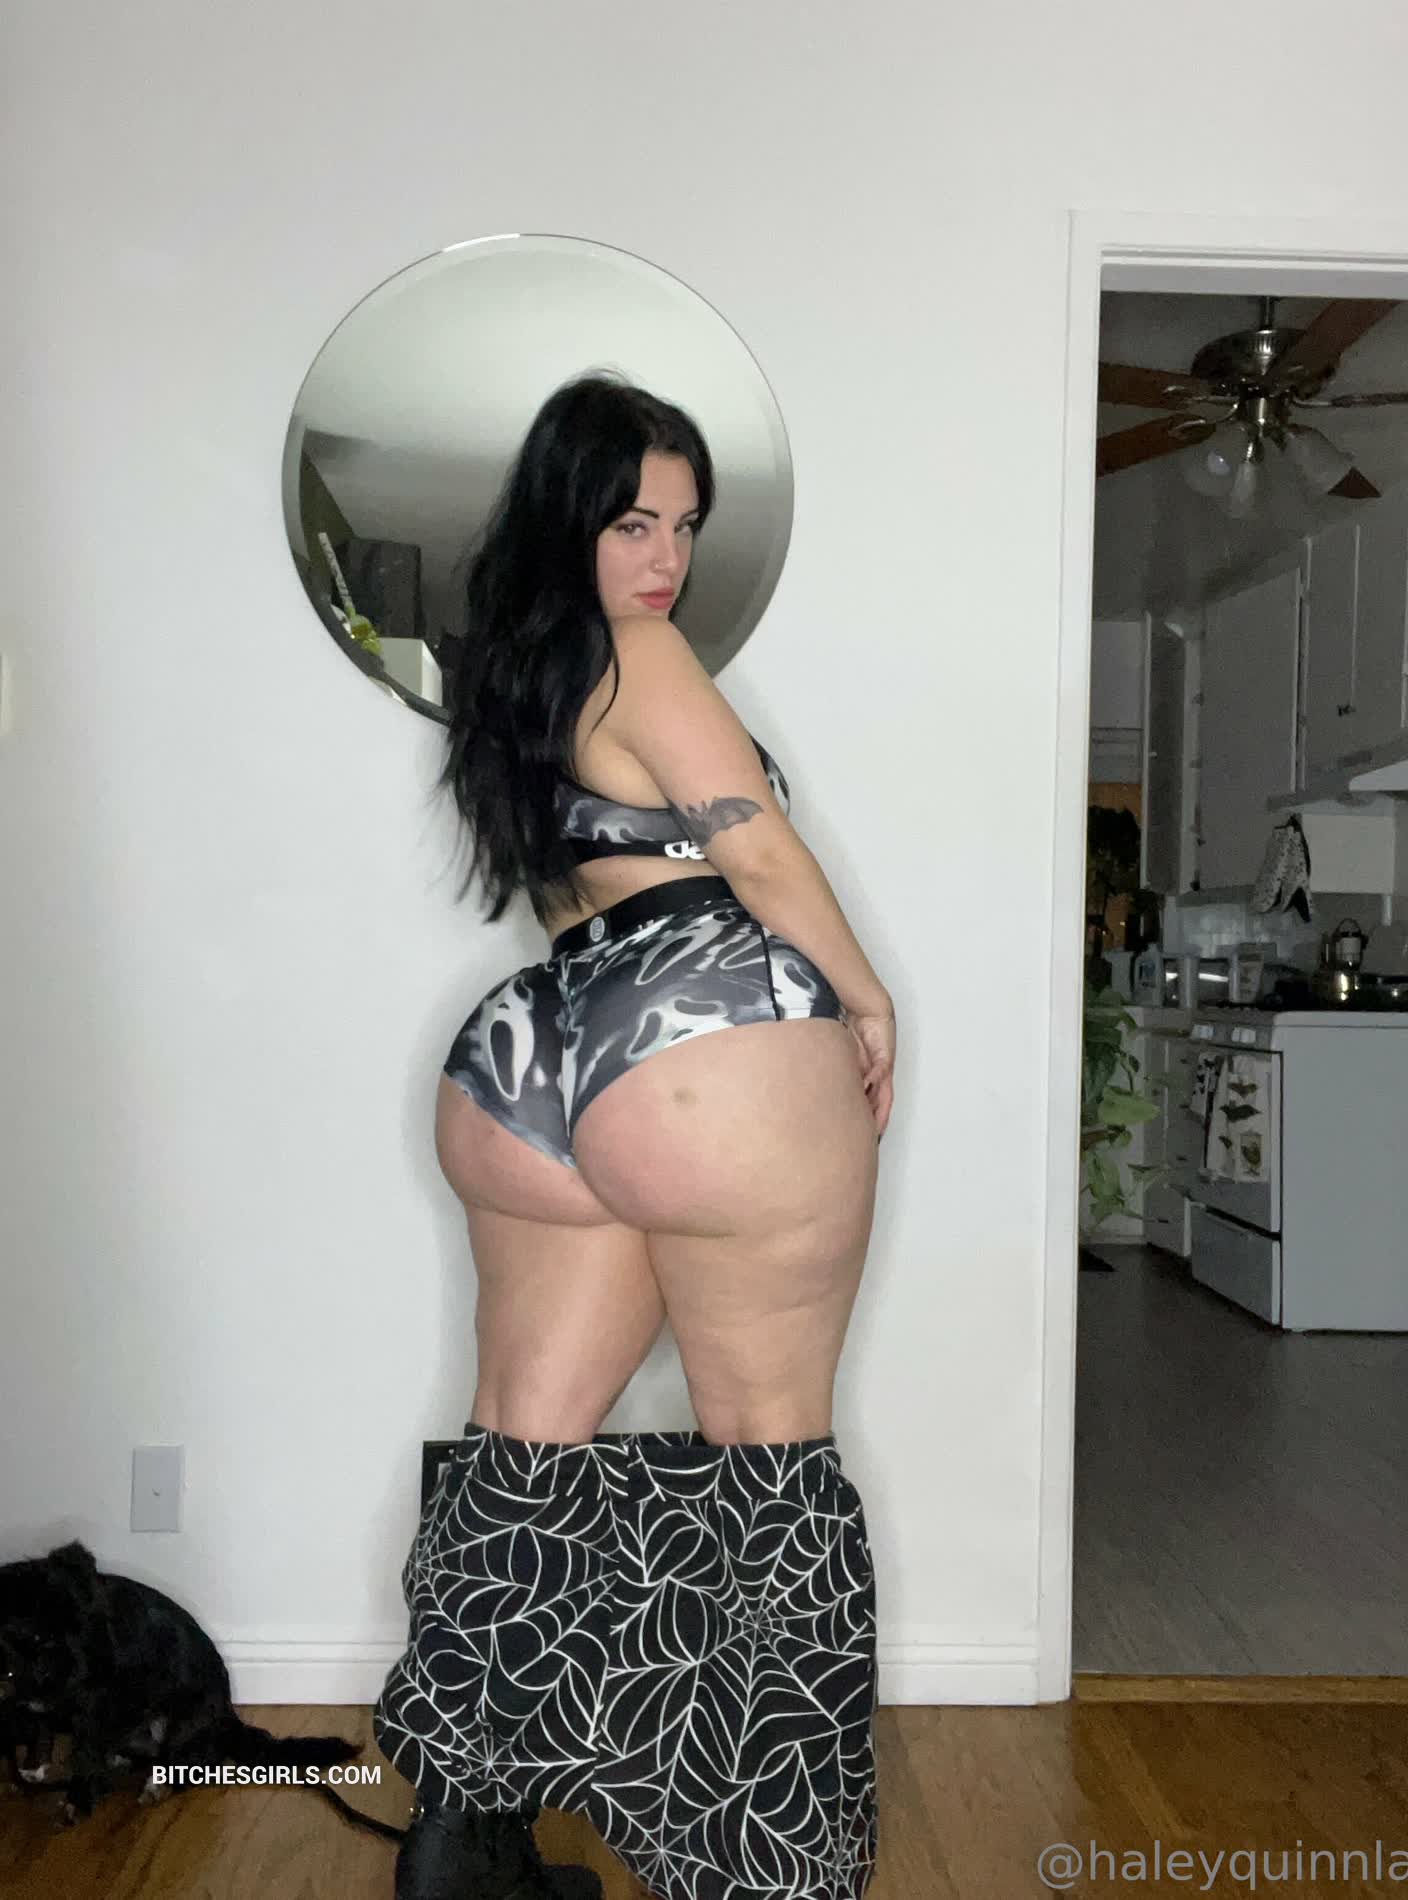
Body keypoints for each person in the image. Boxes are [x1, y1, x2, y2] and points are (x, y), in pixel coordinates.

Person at [372, 372, 895, 1900]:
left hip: (527, 1060)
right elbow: (755, 849)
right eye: (630, 522)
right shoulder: (644, 654)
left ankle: (463, 1840)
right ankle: (766, 1865)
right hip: (702, 1041)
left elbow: (568, 895)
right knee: (770, 1461)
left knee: (519, 1445)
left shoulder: (510, 682)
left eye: (682, 525)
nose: (663, 559)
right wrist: (865, 999)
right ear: (569, 522)